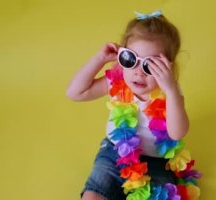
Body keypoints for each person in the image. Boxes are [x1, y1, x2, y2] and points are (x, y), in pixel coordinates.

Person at [67, 10, 201, 200]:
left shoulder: (171, 93)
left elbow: (177, 132)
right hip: (115, 153)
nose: (139, 72)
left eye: (150, 65)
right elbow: (75, 93)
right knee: (91, 196)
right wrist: (100, 59)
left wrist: (171, 91)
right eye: (130, 59)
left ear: (168, 68)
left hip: (155, 162)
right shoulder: (117, 82)